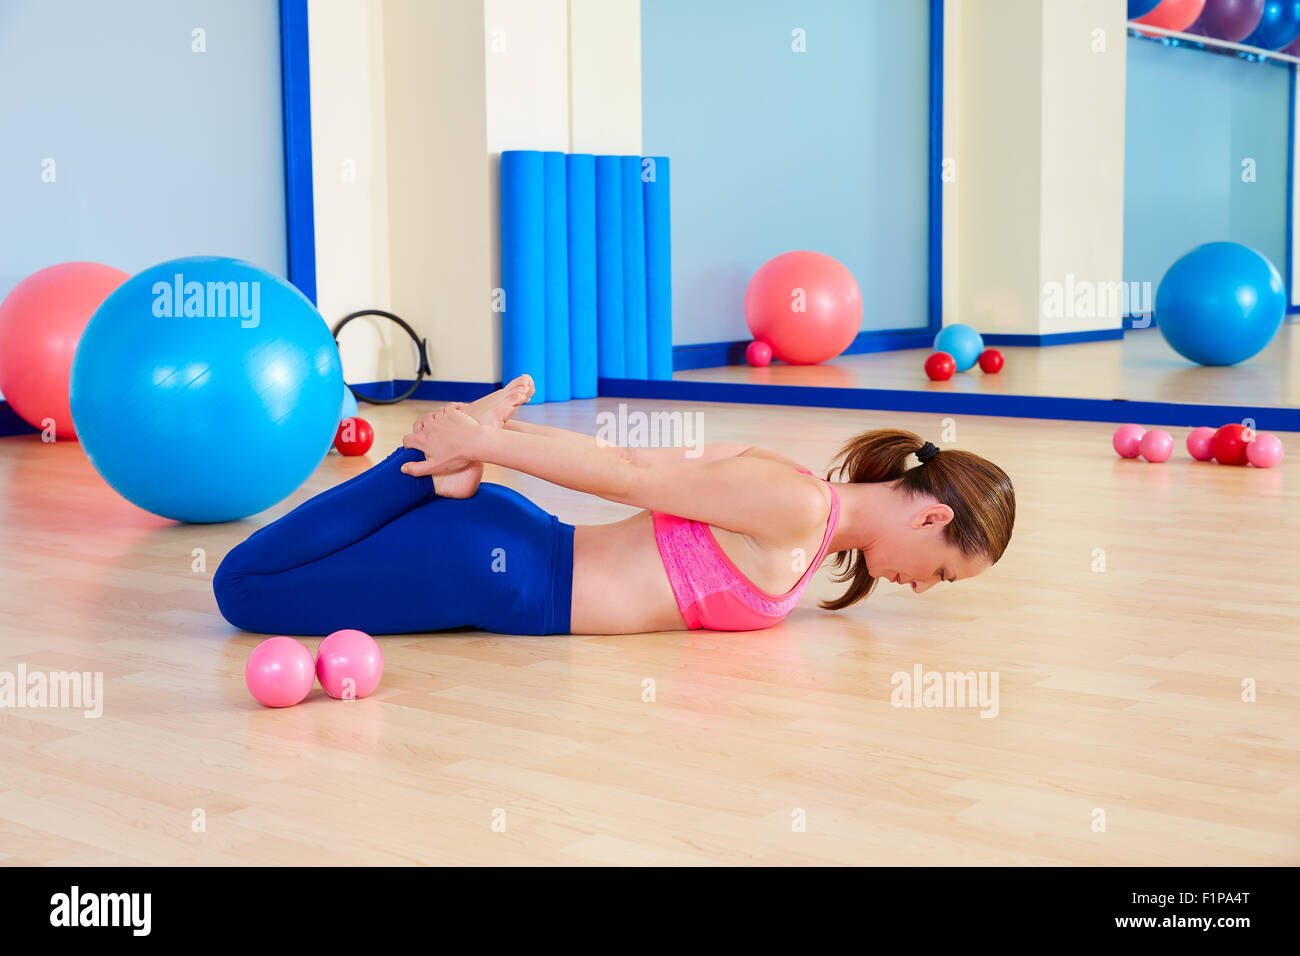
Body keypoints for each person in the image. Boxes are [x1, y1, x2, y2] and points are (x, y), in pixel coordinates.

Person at [214, 376, 1015, 636]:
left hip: (512, 552)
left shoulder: (804, 508)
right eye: (942, 574)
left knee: (274, 582)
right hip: (501, 577)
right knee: (243, 591)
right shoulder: (795, 505)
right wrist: (485, 441)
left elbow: (641, 467)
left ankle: (443, 468)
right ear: (931, 517)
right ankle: (426, 462)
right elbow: (627, 470)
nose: (922, 587)